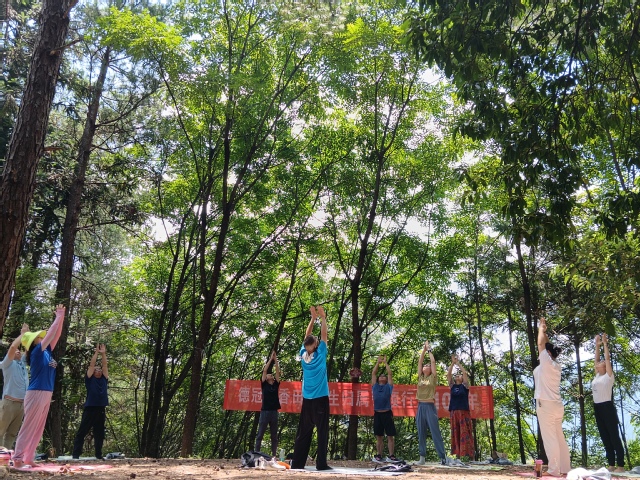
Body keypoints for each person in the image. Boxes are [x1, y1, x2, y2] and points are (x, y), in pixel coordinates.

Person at [12, 304, 65, 469]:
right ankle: (18, 459)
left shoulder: (47, 350)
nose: (41, 337)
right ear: (33, 342)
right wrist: (57, 316)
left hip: (46, 393)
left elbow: (56, 335)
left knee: (38, 428)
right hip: (36, 392)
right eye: (38, 337)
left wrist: (61, 316)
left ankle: (28, 458)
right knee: (29, 427)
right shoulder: (37, 352)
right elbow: (50, 334)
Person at [291, 305, 331, 471]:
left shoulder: (303, 355)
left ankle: (297, 463)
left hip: (307, 400)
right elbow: (324, 335)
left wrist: (312, 319)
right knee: (322, 432)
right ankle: (321, 464)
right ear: (316, 345)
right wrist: (323, 318)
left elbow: (306, 336)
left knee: (304, 432)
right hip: (320, 398)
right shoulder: (320, 354)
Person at [533, 317, 570, 477]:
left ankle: (554, 470)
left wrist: (541, 328)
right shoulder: (555, 365)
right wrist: (545, 331)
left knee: (550, 438)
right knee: (559, 437)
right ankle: (565, 468)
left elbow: (541, 344)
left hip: (546, 405)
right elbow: (545, 344)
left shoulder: (546, 363)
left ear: (548, 354)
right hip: (556, 405)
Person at [591, 334, 624, 472]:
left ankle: (620, 465)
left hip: (607, 407)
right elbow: (596, 359)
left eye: (602, 363)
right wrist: (597, 345)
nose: (600, 363)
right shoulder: (597, 375)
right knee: (605, 436)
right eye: (599, 363)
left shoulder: (608, 377)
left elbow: (607, 359)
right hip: (597, 407)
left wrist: (605, 344)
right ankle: (611, 464)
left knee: (614, 436)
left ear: (605, 367)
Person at [72, 344, 109, 459]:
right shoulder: (90, 379)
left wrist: (103, 354)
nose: (98, 371)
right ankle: (76, 454)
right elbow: (92, 365)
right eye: (96, 370)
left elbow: (104, 365)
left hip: (100, 409)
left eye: (100, 370)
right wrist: (96, 353)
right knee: (82, 432)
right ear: (93, 372)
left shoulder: (104, 379)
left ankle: (98, 454)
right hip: (90, 409)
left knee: (99, 433)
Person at [415, 340, 446, 466]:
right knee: (421, 432)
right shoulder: (420, 377)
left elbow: (433, 362)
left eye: (428, 366)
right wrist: (423, 350)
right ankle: (422, 457)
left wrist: (429, 350)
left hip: (429, 406)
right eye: (425, 366)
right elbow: (420, 362)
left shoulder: (432, 378)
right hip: (420, 406)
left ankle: (442, 457)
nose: (426, 366)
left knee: (435, 432)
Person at [0, 323, 30, 448]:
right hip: (9, 403)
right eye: (16, 351)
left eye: (19, 350)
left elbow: (28, 351)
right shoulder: (6, 364)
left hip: (21, 405)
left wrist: (27, 336)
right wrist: (22, 335)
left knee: (12, 434)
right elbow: (13, 347)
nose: (18, 351)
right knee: (0, 432)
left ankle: (5, 457)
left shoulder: (22, 363)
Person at [446, 354, 474, 461]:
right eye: (456, 375)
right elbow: (448, 374)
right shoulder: (452, 386)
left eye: (459, 375)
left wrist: (458, 363)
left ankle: (469, 456)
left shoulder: (465, 386)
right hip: (454, 411)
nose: (457, 376)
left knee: (465, 432)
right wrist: (452, 363)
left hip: (463, 411)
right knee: (456, 432)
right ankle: (457, 455)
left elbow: (465, 373)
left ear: (462, 379)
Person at [254, 350, 281, 457]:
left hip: (274, 412)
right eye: (268, 375)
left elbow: (278, 372)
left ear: (273, 379)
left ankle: (274, 455)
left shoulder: (276, 385)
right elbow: (265, 370)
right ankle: (256, 453)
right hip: (264, 412)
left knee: (274, 436)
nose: (269, 375)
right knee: (260, 434)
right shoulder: (264, 385)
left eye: (271, 375)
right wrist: (271, 359)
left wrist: (276, 360)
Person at [371, 355, 398, 463]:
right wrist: (378, 363)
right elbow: (373, 373)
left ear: (386, 380)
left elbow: (390, 373)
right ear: (378, 379)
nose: (382, 376)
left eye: (384, 376)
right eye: (381, 376)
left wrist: (386, 363)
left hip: (387, 413)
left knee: (390, 436)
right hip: (377, 414)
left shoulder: (388, 386)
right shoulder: (375, 386)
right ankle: (379, 455)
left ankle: (391, 456)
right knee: (379, 436)